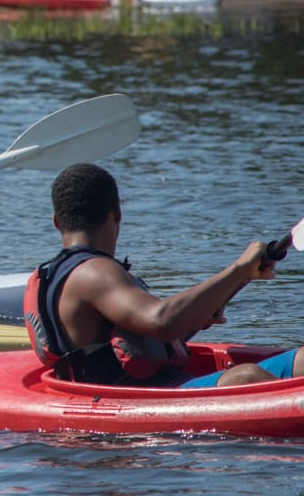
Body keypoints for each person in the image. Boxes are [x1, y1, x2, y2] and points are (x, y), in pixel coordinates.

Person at [24, 163, 304, 388]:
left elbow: (148, 337)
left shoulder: (59, 273)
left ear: (57, 221)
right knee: (246, 378)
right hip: (139, 398)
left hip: (156, 385)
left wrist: (208, 305)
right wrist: (238, 268)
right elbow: (162, 320)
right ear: (117, 213)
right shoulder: (95, 272)